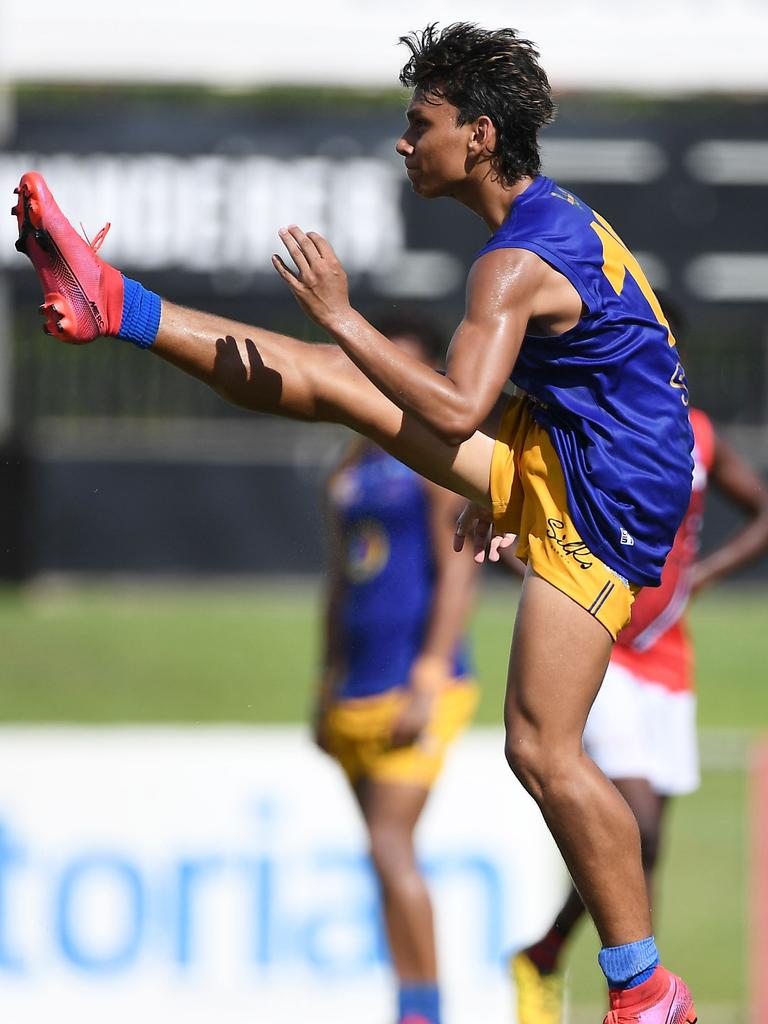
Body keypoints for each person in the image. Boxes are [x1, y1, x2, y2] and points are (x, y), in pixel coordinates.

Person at [13, 22, 697, 1022]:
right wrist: (498, 477)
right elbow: (563, 377)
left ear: (481, 136)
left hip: (614, 497)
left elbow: (457, 409)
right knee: (344, 386)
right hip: (574, 449)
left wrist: (343, 313)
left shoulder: (511, 263)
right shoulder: (538, 230)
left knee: (542, 747)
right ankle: (115, 301)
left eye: (420, 123)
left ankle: (649, 993)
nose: (404, 141)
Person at [511, 299, 768, 1024]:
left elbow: (761, 511)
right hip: (606, 648)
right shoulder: (592, 428)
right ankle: (633, 998)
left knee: (643, 853)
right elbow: (528, 494)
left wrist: (705, 575)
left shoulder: (701, 438)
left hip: (668, 661)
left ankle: (552, 957)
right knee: (638, 822)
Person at [315, 311, 479, 1024]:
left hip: (416, 682)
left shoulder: (432, 454)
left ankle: (425, 1010)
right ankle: (406, 1002)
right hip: (356, 684)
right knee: (382, 858)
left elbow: (458, 568)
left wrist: (432, 670)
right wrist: (324, 683)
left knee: (390, 845)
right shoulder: (355, 459)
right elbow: (339, 579)